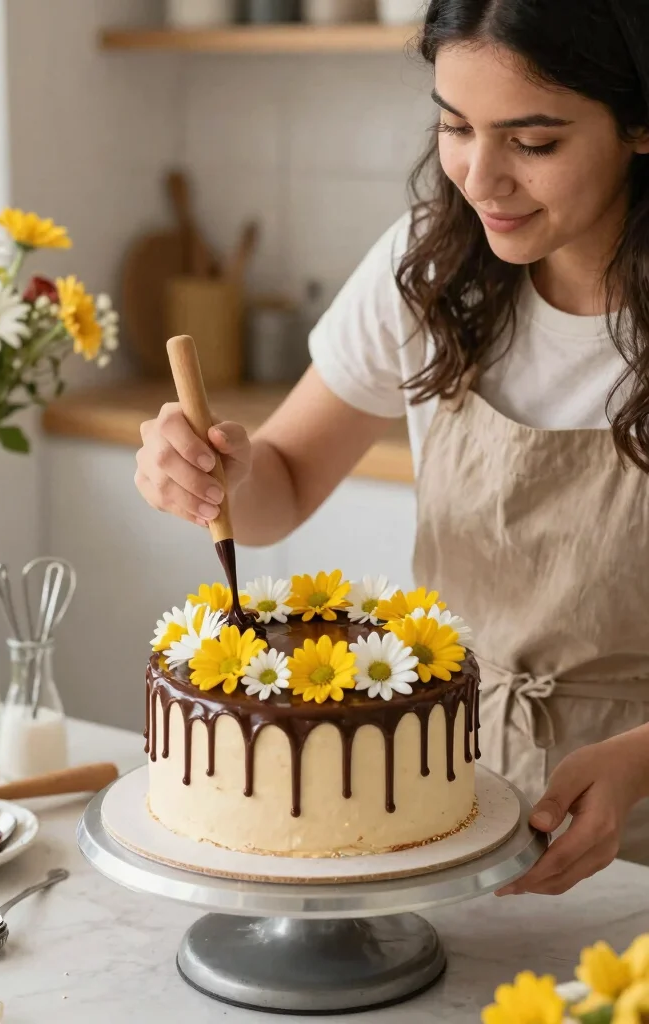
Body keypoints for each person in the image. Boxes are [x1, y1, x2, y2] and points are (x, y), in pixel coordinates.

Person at [135, 0, 649, 895]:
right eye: (456, 127)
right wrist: (221, 473)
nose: (480, 180)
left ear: (638, 123)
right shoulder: (432, 269)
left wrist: (640, 761)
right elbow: (282, 486)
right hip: (450, 797)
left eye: (533, 143)